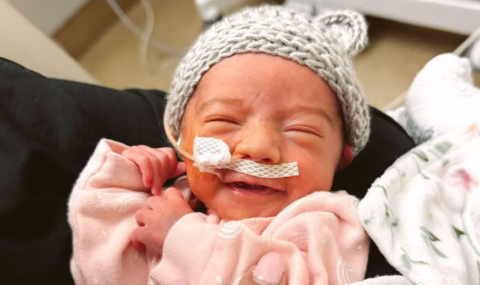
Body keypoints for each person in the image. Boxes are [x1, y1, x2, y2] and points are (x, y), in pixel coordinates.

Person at [68, 5, 373, 285]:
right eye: (224, 120)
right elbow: (99, 267)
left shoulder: (326, 224)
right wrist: (130, 178)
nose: (257, 148)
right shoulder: (175, 194)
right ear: (181, 138)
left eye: (299, 129)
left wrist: (184, 238)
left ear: (341, 158)